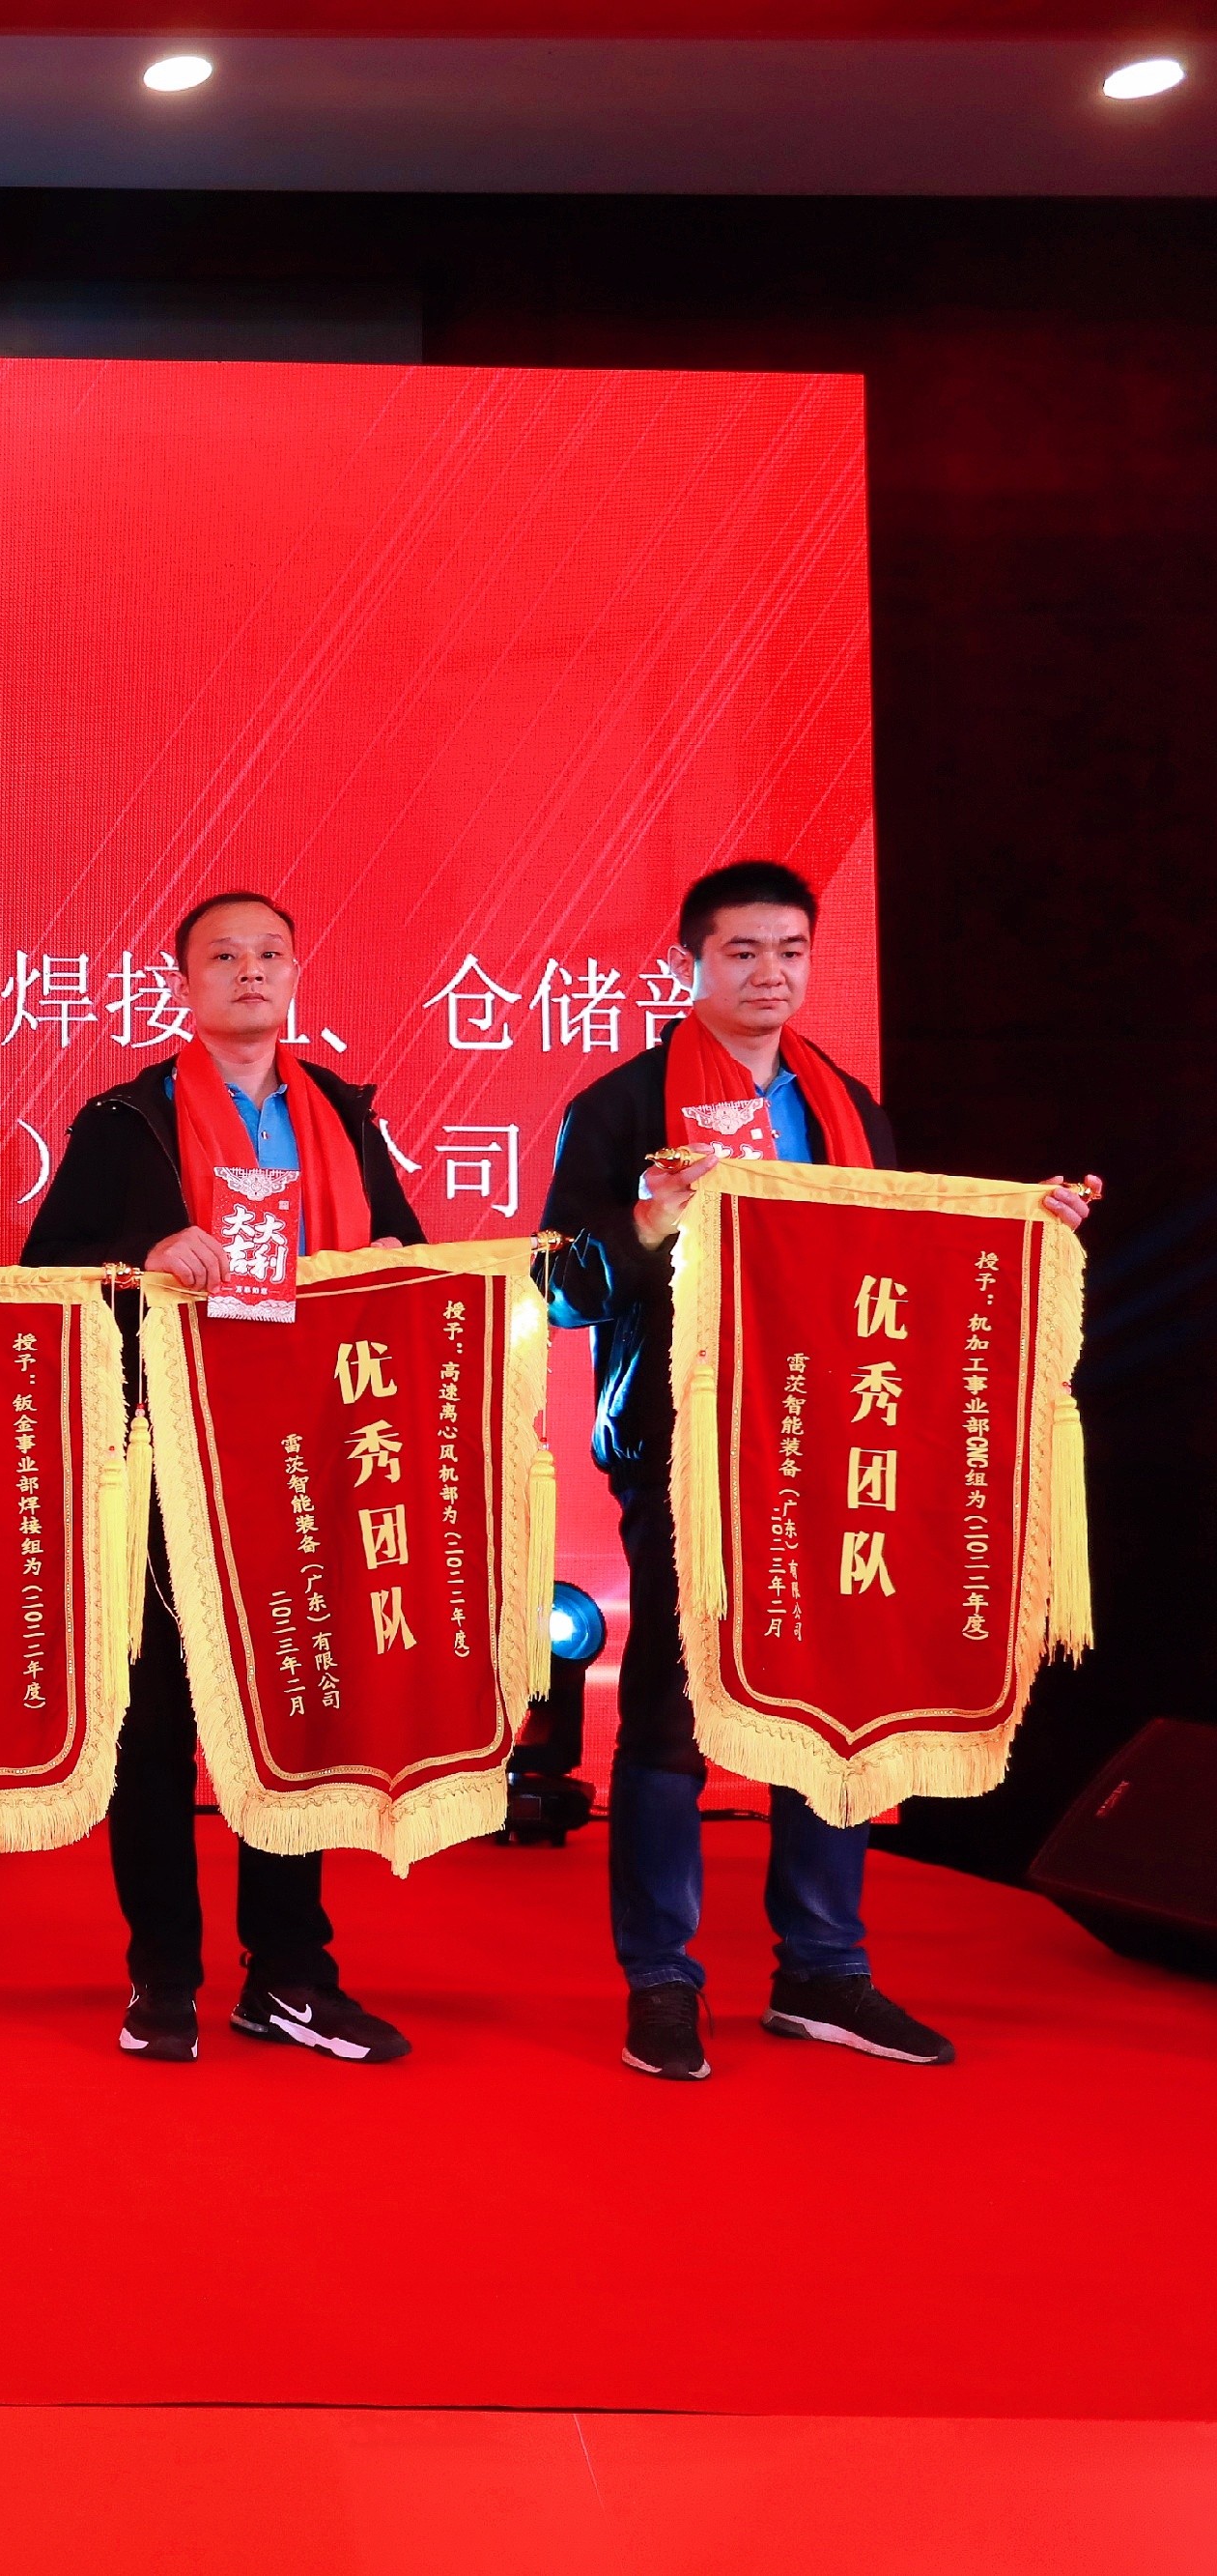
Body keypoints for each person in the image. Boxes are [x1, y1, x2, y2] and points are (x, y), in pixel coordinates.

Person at [541, 860, 1090, 2083]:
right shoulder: (622, 1105)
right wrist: (646, 1222)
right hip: (687, 1449)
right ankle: (661, 1979)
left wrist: (1025, 1228)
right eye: (741, 951)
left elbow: (899, 1255)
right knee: (671, 1713)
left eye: (788, 950)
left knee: (831, 1700)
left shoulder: (846, 1106)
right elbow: (558, 1283)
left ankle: (822, 1971)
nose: (768, 973)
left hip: (830, 1440)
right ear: (691, 962)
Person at [22, 890, 426, 2067]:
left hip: (306, 1454)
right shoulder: (127, 1119)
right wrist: (143, 1252)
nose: (249, 970)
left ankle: (288, 1973)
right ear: (183, 984)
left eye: (269, 953)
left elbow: (408, 1245)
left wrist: (390, 1259)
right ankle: (162, 1974)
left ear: (295, 971)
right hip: (167, 1452)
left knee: (289, 1713)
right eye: (223, 956)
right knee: (154, 1726)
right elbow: (47, 1269)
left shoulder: (340, 1112)